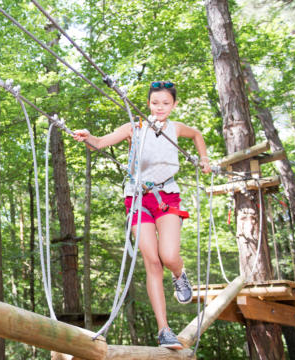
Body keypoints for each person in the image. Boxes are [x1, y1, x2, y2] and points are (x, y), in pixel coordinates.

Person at [72, 81, 211, 349]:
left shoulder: (175, 128)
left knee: (168, 256)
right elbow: (100, 143)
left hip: (167, 195)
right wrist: (87, 137)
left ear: (174, 105)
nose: (159, 108)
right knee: (152, 261)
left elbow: (197, 135)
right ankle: (164, 330)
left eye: (165, 103)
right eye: (155, 103)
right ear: (148, 103)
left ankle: (180, 274)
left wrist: (203, 158)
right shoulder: (134, 127)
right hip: (137, 198)